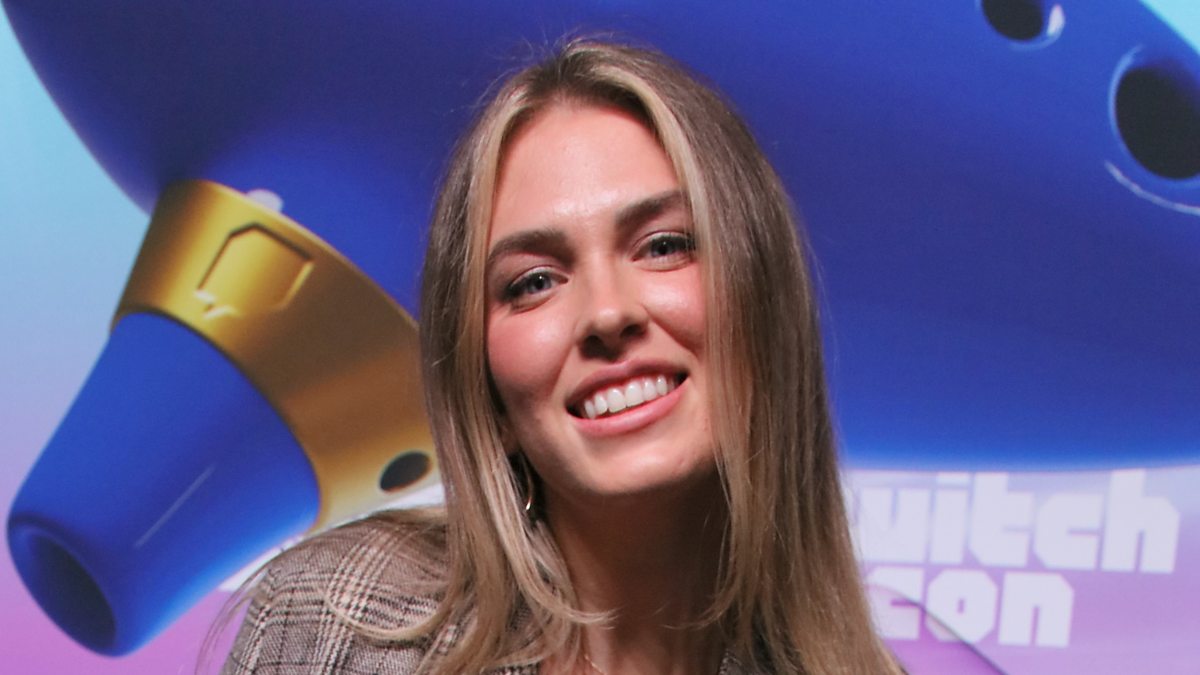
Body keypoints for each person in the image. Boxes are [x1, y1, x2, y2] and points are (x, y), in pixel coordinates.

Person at [222, 38, 902, 675]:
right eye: (533, 282)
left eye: (664, 245)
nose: (607, 313)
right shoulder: (343, 624)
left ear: (765, 304)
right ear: (485, 391)